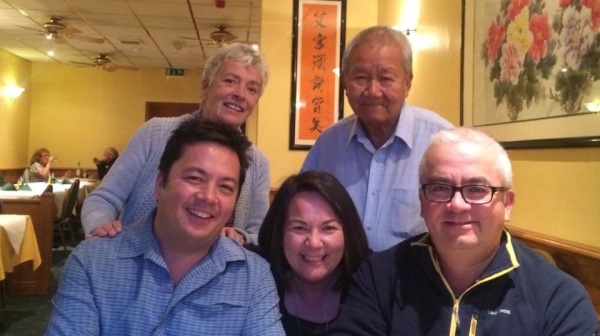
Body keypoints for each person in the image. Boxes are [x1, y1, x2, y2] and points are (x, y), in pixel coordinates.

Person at [328, 127, 599, 335]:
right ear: (422, 202)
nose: (457, 205)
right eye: (440, 188)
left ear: (507, 204)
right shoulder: (379, 277)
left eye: (478, 190)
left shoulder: (558, 298)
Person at [46, 119, 284, 335]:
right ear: (160, 184)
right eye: (194, 178)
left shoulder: (254, 277)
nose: (209, 197)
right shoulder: (92, 263)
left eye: (225, 187)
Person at [81, 43, 270, 244]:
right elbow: (103, 199)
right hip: (136, 264)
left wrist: (242, 237)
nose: (240, 94)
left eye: (252, 89)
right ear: (205, 89)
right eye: (231, 81)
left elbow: (260, 234)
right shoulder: (154, 134)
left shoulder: (257, 163)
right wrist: (101, 230)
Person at [301, 26, 454, 252]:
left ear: (408, 83)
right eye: (361, 77)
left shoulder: (442, 142)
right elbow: (300, 210)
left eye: (385, 78)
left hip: (413, 281)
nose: (372, 91)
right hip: (342, 281)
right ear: (345, 83)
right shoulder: (329, 144)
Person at [254, 171, 370, 336]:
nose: (314, 243)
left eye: (328, 228)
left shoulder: (369, 288)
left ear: (348, 234)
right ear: (279, 234)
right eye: (299, 228)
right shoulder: (256, 281)